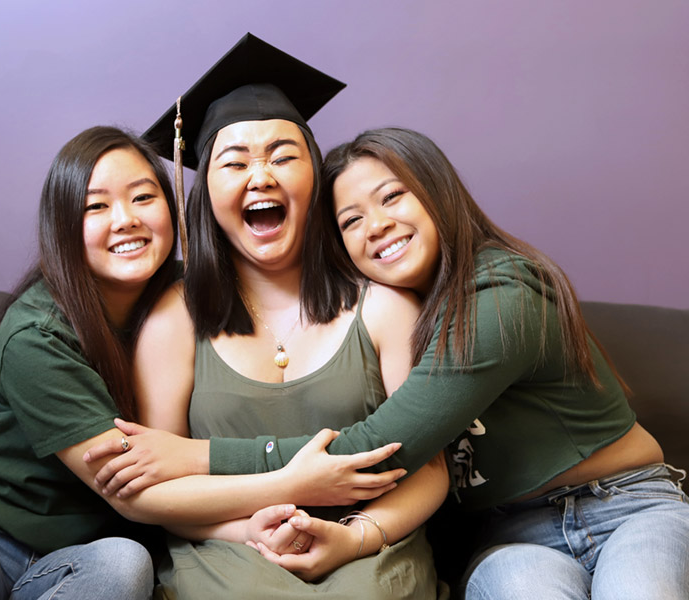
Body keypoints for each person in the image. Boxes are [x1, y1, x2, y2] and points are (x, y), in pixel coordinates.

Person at [0, 125, 402, 600]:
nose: (126, 219)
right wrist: (295, 481)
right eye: (96, 207)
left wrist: (246, 527)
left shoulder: (191, 300)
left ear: (171, 206)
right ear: (64, 225)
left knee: (124, 564)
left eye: (142, 197)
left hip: (85, 551)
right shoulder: (36, 335)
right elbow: (135, 487)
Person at [255, 126, 689, 598]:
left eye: (393, 196)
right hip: (510, 538)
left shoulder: (502, 292)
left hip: (626, 506)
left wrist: (196, 460)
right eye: (351, 221)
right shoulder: (383, 330)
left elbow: (379, 447)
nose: (376, 225)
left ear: (438, 195)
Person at [91, 34, 450, 599]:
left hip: (369, 546)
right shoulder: (174, 319)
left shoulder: (383, 307)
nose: (261, 176)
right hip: (226, 548)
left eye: (283, 157)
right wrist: (247, 523)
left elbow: (429, 470)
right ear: (206, 190)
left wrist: (356, 534)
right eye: (235, 163)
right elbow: (156, 484)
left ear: (317, 180)